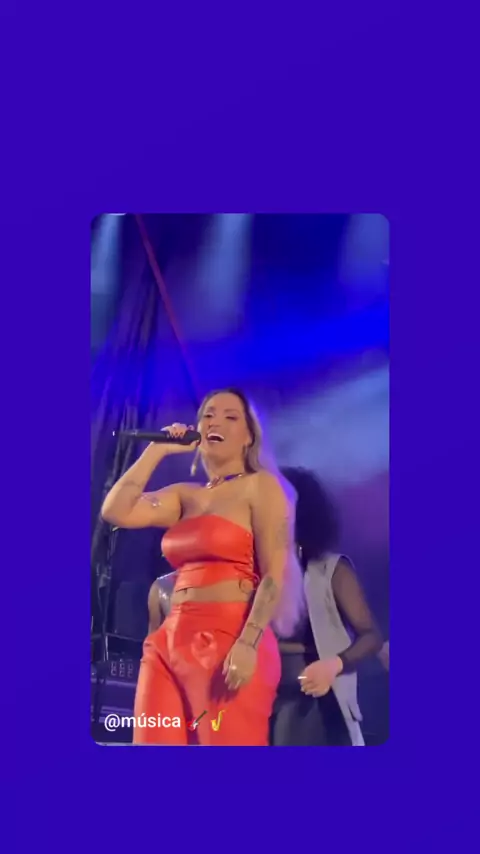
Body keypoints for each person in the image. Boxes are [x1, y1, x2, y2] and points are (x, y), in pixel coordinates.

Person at [101, 388, 304, 746]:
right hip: (167, 641)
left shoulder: (260, 486)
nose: (215, 422)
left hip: (228, 639)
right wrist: (157, 449)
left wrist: (249, 642)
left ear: (249, 436)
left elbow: (274, 575)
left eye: (230, 417)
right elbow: (116, 510)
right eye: (208, 415)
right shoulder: (185, 494)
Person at [270, 467, 383, 746]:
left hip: (310, 695)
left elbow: (371, 636)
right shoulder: (252, 570)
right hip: (258, 692)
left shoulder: (330, 570)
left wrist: (334, 665)